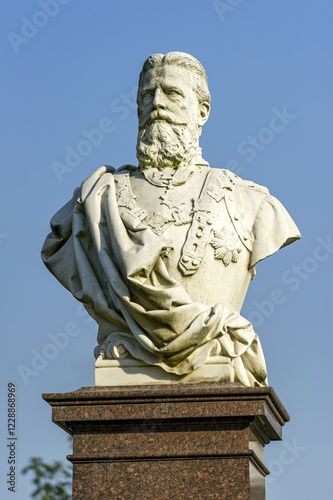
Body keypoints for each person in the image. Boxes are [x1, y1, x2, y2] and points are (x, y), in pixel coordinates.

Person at [42, 52, 300, 387]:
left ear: (202, 111)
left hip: (220, 369)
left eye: (172, 93)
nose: (157, 104)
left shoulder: (253, 203)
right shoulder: (93, 202)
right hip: (122, 362)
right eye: (147, 95)